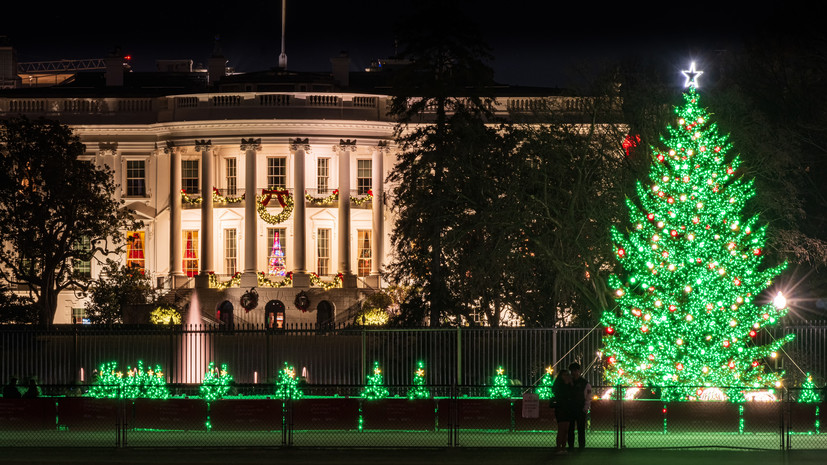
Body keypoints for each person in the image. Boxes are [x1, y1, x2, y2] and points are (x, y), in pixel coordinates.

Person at [567, 362, 592, 450]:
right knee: (570, 429)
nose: (573, 373)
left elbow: (588, 397)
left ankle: (581, 446)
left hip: (580, 408)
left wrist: (585, 408)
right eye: (572, 371)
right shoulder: (568, 383)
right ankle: (571, 446)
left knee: (581, 429)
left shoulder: (585, 383)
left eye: (575, 371)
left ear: (579, 371)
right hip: (570, 409)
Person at [551, 369, 574, 455]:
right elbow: (561, 395)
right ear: (560, 376)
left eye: (567, 374)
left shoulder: (569, 385)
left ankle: (563, 447)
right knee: (561, 429)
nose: (566, 376)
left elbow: (571, 395)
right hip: (561, 408)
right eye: (564, 375)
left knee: (566, 430)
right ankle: (558, 448)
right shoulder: (559, 385)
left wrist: (570, 384)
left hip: (567, 408)